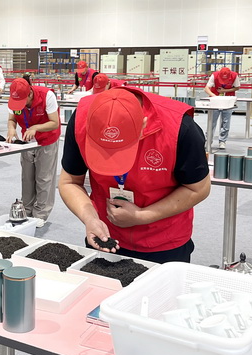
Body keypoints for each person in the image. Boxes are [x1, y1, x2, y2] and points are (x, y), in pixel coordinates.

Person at [58, 87, 210, 263]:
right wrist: (90, 219)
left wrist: (142, 216)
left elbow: (199, 189)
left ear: (143, 124)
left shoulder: (180, 128)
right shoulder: (81, 119)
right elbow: (70, 182)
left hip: (163, 241)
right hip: (105, 233)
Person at [6, 78, 61, 228]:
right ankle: (27, 210)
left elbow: (55, 122)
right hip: (27, 142)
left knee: (44, 178)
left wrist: (36, 128)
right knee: (27, 177)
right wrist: (11, 128)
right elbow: (12, 119)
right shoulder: (14, 99)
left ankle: (41, 214)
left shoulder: (47, 96)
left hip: (47, 140)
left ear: (30, 93)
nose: (20, 105)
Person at [204, 66, 241, 150]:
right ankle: (208, 140)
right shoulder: (214, 75)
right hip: (215, 101)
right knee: (212, 122)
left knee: (226, 122)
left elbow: (237, 87)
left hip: (228, 101)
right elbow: (206, 88)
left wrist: (225, 91)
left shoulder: (234, 76)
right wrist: (214, 96)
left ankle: (222, 141)